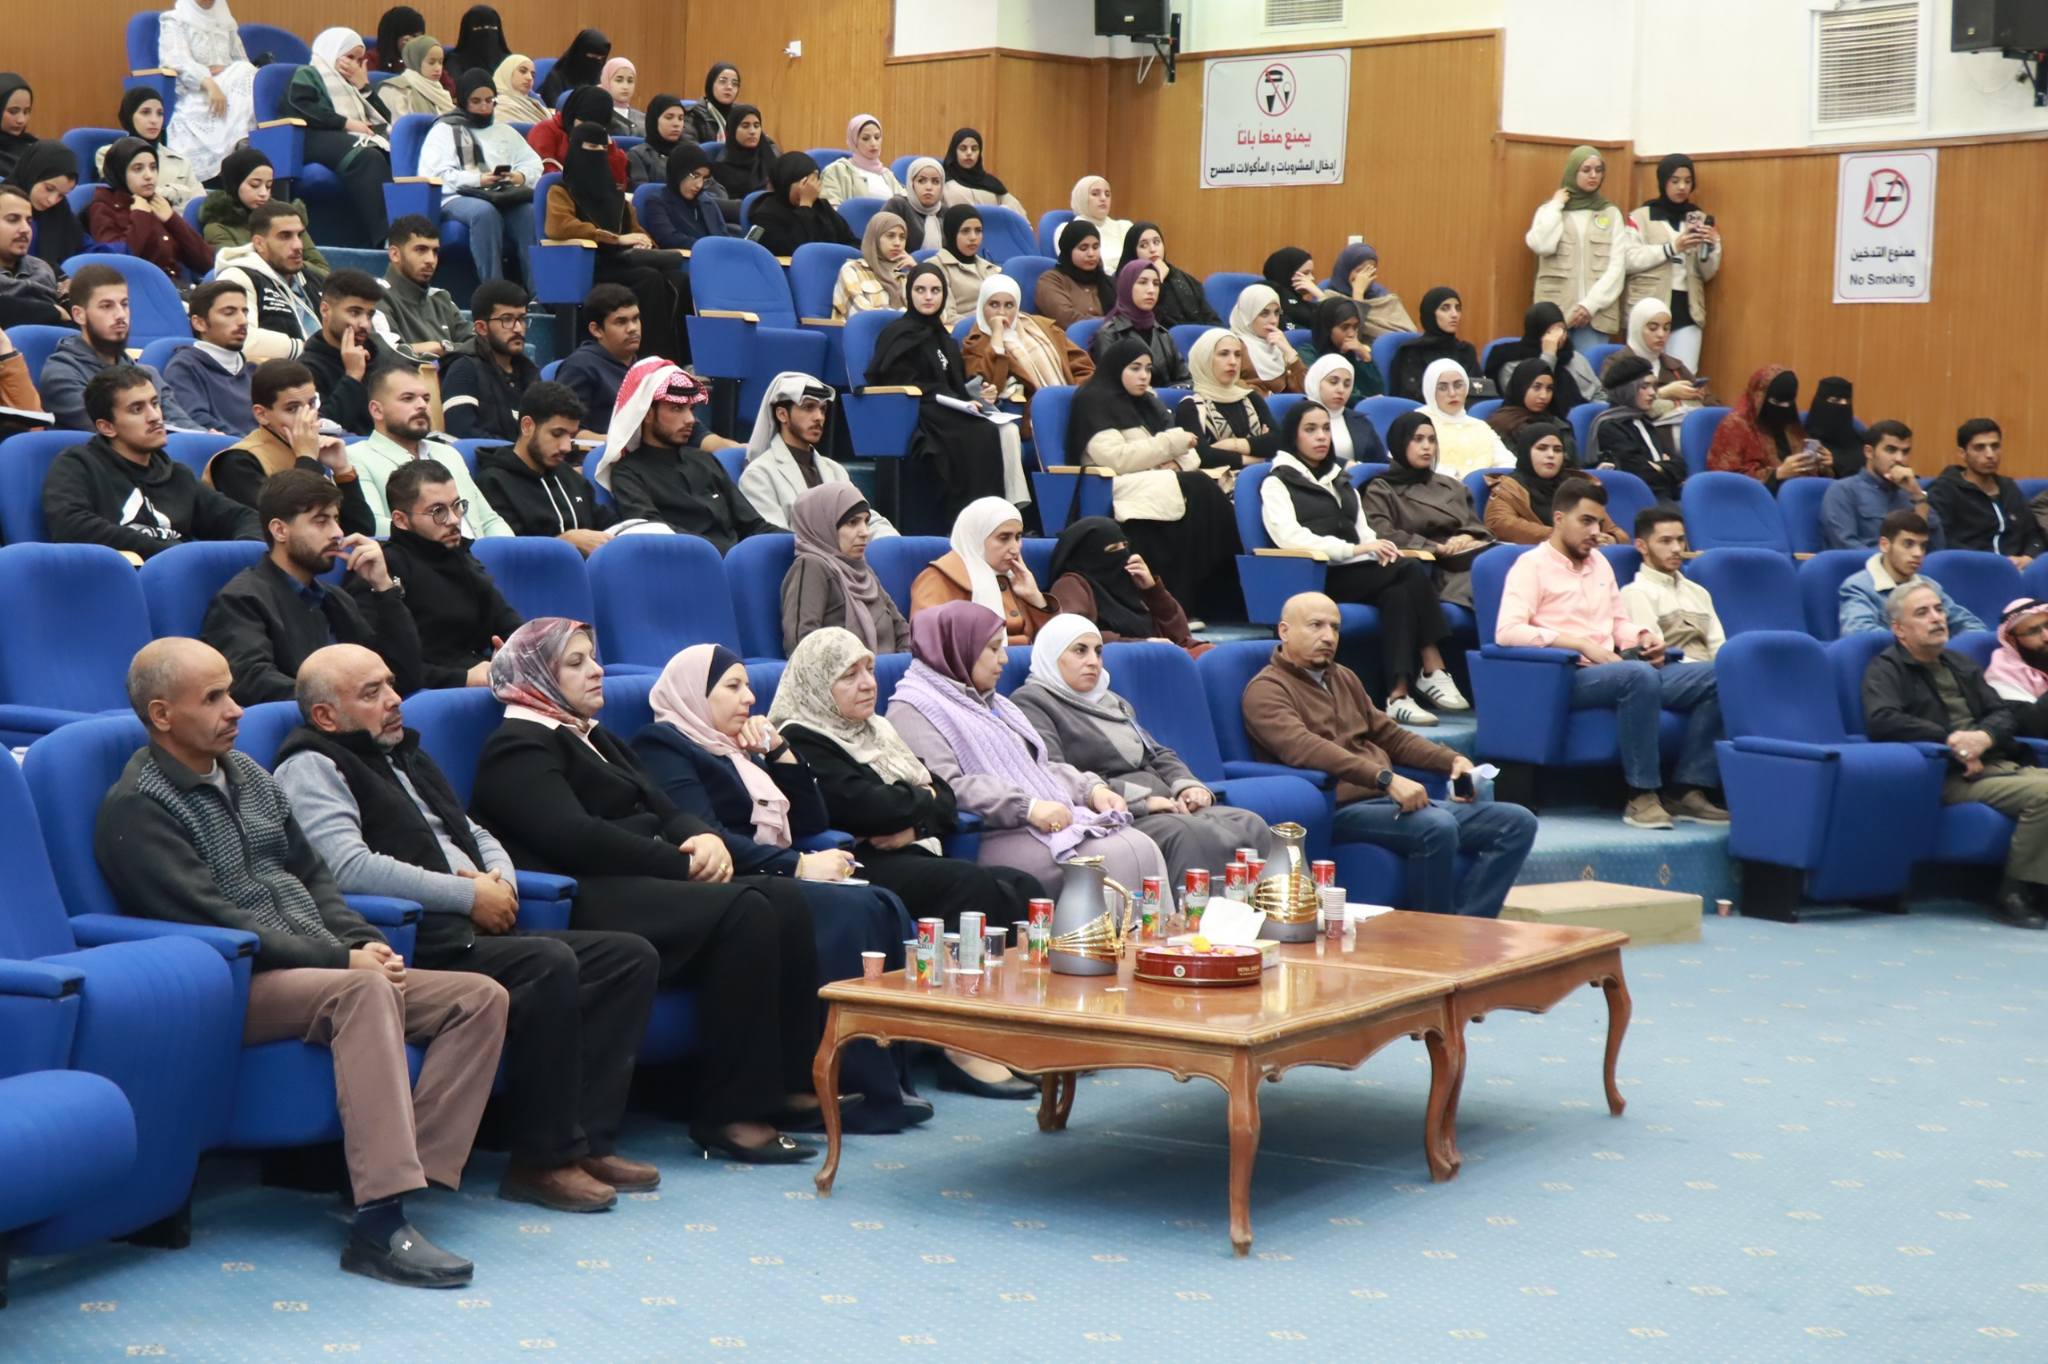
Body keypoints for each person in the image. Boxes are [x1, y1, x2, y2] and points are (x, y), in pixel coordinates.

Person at [97, 637, 506, 1286]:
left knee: (478, 997)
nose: (236, 710)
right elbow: (217, 920)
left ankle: (402, 1177)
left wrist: (362, 941)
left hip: (314, 965)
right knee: (364, 992)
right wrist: (343, 959)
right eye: (213, 698)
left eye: (232, 692)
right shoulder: (139, 806)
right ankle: (379, 1226)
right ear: (162, 715)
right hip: (233, 984)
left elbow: (315, 879)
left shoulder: (248, 774)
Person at [277, 643, 660, 1211]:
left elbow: (471, 830)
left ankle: (589, 1142)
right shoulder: (312, 764)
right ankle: (541, 1161)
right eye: (372, 693)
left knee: (628, 958)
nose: (394, 700)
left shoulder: (402, 753)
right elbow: (346, 867)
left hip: (474, 923)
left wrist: (500, 882)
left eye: (391, 684)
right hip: (416, 940)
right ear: (325, 716)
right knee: (547, 964)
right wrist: (467, 895)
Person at [470, 618, 827, 1160]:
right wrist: (679, 862)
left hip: (641, 877)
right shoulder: (518, 745)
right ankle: (730, 1114)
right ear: (538, 675)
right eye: (576, 663)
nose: (596, 671)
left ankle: (786, 1084)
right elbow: (576, 838)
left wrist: (702, 837)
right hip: (585, 892)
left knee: (784, 899)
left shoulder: (593, 735)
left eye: (594, 658)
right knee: (746, 909)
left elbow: (664, 807)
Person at [629, 645, 930, 1130]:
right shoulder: (664, 746)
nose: (749, 698)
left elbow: (811, 820)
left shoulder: (735, 748)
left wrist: (779, 751)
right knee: (849, 912)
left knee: (881, 902)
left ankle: (886, 1080)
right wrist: (800, 865)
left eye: (749, 686)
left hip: (769, 873)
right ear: (695, 694)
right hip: (730, 880)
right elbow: (709, 836)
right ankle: (843, 1083)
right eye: (733, 687)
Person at [770, 625, 1046, 1099]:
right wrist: (920, 802)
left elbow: (946, 796)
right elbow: (868, 809)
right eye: (849, 676)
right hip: (856, 864)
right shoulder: (802, 738)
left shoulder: (876, 730)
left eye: (869, 669)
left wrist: (914, 820)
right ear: (817, 685)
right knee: (970, 888)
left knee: (1023, 886)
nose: (867, 683)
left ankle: (1010, 1027)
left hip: (908, 851)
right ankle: (958, 1044)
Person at [1242, 593, 1537, 916]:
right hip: (1337, 806)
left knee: (1517, 823)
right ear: (1284, 631)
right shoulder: (1266, 690)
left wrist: (1451, 760)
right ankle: (1435, 930)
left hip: (1384, 800)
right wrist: (1386, 779)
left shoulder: (1343, 677)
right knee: (1436, 826)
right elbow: (1304, 748)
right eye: (1316, 626)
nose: (1328, 637)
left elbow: (1391, 736)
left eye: (1335, 628)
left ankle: (1469, 924)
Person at [889, 601, 1169, 897]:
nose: (1004, 659)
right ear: (958, 648)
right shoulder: (912, 709)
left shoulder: (994, 703)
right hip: (990, 834)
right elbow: (946, 787)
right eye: (993, 649)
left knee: (1141, 845)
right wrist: (1028, 807)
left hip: (1039, 821)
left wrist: (1091, 789)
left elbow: (1037, 767)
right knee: (1110, 857)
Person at [1496, 477, 1727, 828]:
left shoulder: (1599, 564)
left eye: (1599, 523)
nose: (1596, 532)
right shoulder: (1531, 565)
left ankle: (1687, 789)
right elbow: (1508, 631)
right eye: (1586, 521)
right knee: (1637, 675)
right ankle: (1641, 795)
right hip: (1566, 676)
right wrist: (1578, 643)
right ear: (1559, 519)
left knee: (1722, 674)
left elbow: (1619, 622)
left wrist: (1643, 637)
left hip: (1616, 669)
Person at [1014, 616, 1269, 884]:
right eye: (1080, 651)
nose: (1093, 661)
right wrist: (1142, 802)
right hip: (1112, 811)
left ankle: (1256, 907)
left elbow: (1156, 753)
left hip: (1165, 801)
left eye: (1098, 652)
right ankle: (1198, 911)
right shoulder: (1033, 702)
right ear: (1052, 654)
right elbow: (1051, 771)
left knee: (1250, 823)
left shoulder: (1111, 701)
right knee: (1191, 834)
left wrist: (1188, 786)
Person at [1261, 403, 1465, 723]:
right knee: (1409, 570)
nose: (1321, 436)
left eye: (1326, 429)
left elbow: (1365, 533)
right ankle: (1432, 664)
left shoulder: (1341, 481)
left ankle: (1398, 694)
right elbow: (1289, 537)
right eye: (1310, 429)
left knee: (1398, 593)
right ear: (1293, 436)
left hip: (1353, 572)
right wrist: (1352, 550)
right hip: (1313, 577)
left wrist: (1376, 550)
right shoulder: (1277, 482)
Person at [1865, 583, 2047, 929]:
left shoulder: (1960, 663)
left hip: (1998, 764)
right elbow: (1883, 721)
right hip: (1948, 774)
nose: (1937, 618)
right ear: (1899, 629)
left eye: (1938, 609)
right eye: (1923, 613)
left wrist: (1983, 737)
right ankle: (2015, 893)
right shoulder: (1886, 669)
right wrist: (1953, 742)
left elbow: (2002, 714)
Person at [202, 468, 423, 704]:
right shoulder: (241, 600)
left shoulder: (336, 599)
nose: (338, 533)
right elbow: (252, 683)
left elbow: (403, 676)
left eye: (336, 519)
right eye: (321, 521)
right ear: (280, 530)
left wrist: (384, 588)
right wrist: (344, 701)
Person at [1071, 338, 1239, 617]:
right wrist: (1169, 447)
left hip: (1155, 480)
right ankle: (1190, 604)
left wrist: (1173, 456)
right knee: (1196, 486)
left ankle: (1212, 599)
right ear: (1116, 368)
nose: (1144, 376)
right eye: (1135, 368)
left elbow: (1191, 455)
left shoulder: (1148, 402)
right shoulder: (1094, 401)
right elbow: (1116, 458)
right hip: (1113, 484)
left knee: (1198, 487)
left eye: (1148, 369)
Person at [44, 366, 260, 557]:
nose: (155, 416)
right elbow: (71, 527)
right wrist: (169, 552)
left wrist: (240, 555)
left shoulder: (177, 476)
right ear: (107, 427)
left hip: (178, 574)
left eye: (155, 403)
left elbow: (243, 518)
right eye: (137, 409)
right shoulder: (78, 466)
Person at [867, 262, 1026, 521]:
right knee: (980, 432)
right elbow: (894, 380)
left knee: (995, 428)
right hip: (916, 410)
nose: (928, 297)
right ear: (909, 293)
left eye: (935, 290)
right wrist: (950, 397)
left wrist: (978, 392)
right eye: (920, 290)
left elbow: (956, 383)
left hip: (948, 407)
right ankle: (970, 517)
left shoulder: (944, 338)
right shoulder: (897, 334)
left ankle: (994, 517)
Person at [546, 123, 690, 364]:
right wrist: (614, 238)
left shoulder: (615, 194)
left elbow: (634, 228)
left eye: (603, 148)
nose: (598, 153)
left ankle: (681, 361)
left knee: (679, 279)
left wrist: (644, 241)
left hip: (624, 261)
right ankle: (650, 361)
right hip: (589, 266)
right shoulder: (561, 190)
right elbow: (559, 226)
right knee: (649, 279)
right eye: (591, 147)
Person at [374, 458, 523, 688]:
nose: (454, 520)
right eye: (438, 511)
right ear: (401, 520)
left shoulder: (460, 556)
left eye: (457, 506)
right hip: (426, 693)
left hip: (482, 679)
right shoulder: (381, 570)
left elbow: (509, 625)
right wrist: (463, 678)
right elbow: (384, 666)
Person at [596, 359, 766, 551]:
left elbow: (754, 525)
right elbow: (653, 532)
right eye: (676, 408)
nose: (690, 419)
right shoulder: (628, 473)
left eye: (691, 409)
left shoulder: (706, 460)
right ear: (648, 414)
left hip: (737, 559)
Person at [203, 358, 374, 535]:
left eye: (311, 404)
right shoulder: (237, 462)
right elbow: (291, 527)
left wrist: (342, 471)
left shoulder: (315, 452)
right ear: (262, 415)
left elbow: (362, 532)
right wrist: (306, 457)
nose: (307, 417)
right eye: (292, 409)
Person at [350, 366, 509, 537]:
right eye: (408, 398)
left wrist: (504, 551)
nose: (422, 406)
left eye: (426, 399)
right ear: (377, 410)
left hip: (478, 552)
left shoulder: (449, 453)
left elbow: (489, 520)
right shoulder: (356, 457)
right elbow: (374, 525)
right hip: (417, 552)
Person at [418, 68, 543, 287]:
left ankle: (537, 294)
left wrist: (519, 176)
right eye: (476, 101)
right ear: (462, 101)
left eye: (489, 100)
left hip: (500, 195)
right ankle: (494, 290)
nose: (484, 107)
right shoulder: (444, 130)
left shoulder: (504, 131)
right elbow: (438, 175)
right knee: (485, 213)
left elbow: (533, 163)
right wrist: (478, 180)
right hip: (456, 197)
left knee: (529, 213)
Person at [1360, 407, 1494, 609]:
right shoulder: (1381, 488)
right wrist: (1435, 547)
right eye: (1418, 439)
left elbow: (1476, 526)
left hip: (1467, 557)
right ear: (1399, 443)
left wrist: (1465, 537)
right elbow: (1382, 534)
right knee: (1492, 582)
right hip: (1432, 568)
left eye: (1432, 440)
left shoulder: (1452, 485)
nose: (1427, 447)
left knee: (1509, 566)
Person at [41, 267, 202, 432]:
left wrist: (207, 438)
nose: (120, 315)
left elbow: (186, 428)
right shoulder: (62, 374)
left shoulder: (148, 374)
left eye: (124, 304)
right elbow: (112, 431)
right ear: (79, 315)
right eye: (106, 306)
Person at [738, 370, 896, 535]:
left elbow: (865, 518)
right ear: (782, 415)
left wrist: (892, 541)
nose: (819, 417)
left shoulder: (835, 470)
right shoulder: (758, 475)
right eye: (808, 407)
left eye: (822, 409)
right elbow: (775, 539)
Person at [473, 380, 613, 553]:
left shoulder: (569, 476)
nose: (566, 447)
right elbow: (508, 553)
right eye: (557, 434)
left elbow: (608, 524)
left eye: (571, 436)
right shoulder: (493, 483)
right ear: (527, 426)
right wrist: (564, 542)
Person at [282, 29, 395, 244]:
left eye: (359, 60)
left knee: (387, 154)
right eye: (349, 57)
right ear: (331, 52)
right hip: (311, 136)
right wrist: (346, 123)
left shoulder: (352, 82)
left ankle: (399, 231)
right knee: (368, 157)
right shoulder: (309, 73)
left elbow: (385, 119)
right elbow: (301, 107)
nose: (354, 65)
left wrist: (363, 86)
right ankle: (387, 238)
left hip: (346, 138)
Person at [1042, 515, 1208, 655]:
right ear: (1089, 553)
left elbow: (1181, 636)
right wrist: (1141, 645)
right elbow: (1074, 636)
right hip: (1119, 664)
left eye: (1125, 546)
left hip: (1160, 656)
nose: (1123, 554)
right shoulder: (1071, 585)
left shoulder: (1129, 581)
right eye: (1113, 549)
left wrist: (1153, 590)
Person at [1524, 145, 1637, 350]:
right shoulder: (1550, 209)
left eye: (1598, 170)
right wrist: (1556, 205)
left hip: (1595, 316)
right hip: (1556, 312)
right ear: (1572, 171)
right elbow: (1541, 245)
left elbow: (1617, 267)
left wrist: (1589, 305)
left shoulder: (1610, 213)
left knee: (1588, 368)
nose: (1593, 175)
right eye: (1586, 170)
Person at [1621, 152, 1721, 371]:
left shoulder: (1698, 218)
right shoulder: (1641, 216)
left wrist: (1713, 246)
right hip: (1649, 303)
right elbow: (1629, 260)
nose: (1682, 187)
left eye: (1688, 181)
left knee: (1684, 374)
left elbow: (1707, 273)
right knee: (1644, 373)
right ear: (1663, 181)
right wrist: (1672, 247)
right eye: (1675, 181)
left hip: (1687, 307)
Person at [781, 483, 908, 655]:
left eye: (866, 522)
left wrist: (901, 666)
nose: (864, 532)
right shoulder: (812, 567)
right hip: (847, 672)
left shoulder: (863, 570)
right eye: (852, 522)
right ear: (824, 525)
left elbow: (902, 631)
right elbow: (803, 648)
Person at [911, 496, 1052, 643]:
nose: (1015, 549)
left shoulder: (1017, 578)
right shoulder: (939, 578)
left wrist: (1035, 597)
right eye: (1004, 538)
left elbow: (1056, 645)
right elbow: (929, 642)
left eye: (1018, 537)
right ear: (976, 538)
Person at [959, 274, 1091, 420]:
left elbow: (1083, 367)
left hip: (1074, 401)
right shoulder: (975, 344)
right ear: (982, 305)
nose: (1002, 312)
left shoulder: (1042, 327)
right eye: (994, 305)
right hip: (1036, 414)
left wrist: (1078, 395)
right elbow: (991, 386)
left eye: (1009, 305)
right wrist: (997, 336)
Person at [157, 0, 260, 184]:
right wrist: (209, 82)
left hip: (230, 88)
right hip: (195, 92)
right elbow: (176, 61)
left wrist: (225, 70)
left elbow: (241, 60)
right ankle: (238, 147)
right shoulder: (175, 20)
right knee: (244, 71)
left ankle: (242, 143)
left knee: (248, 71)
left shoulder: (226, 21)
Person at [1839, 510, 1987, 637]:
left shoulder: (1929, 586)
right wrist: (1920, 644)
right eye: (1908, 544)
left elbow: (1971, 625)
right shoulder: (1859, 587)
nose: (1918, 553)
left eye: (1922, 546)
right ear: (1885, 545)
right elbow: (1859, 633)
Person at [84, 138, 214, 283]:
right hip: (133, 290)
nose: (149, 176)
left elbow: (207, 262)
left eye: (153, 167)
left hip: (174, 288)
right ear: (119, 172)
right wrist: (140, 216)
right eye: (138, 169)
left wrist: (172, 220)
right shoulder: (103, 208)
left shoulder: (157, 203)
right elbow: (117, 264)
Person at [213, 201, 325, 364]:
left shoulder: (312, 278)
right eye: (285, 236)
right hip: (284, 373)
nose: (298, 245)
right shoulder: (238, 277)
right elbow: (240, 338)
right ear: (259, 243)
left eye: (299, 235)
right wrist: (307, 349)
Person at [1485, 421, 1627, 547]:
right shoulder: (1508, 487)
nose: (1551, 455)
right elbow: (1499, 523)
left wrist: (1612, 539)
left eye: (1557, 450)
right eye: (1542, 448)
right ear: (1525, 452)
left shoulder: (1576, 485)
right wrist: (1563, 536)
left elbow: (1615, 532)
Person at [199, 148, 332, 282]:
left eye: (268, 186)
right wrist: (281, 261)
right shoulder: (218, 226)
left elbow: (323, 271)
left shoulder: (287, 219)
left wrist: (291, 263)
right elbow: (235, 271)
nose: (264, 193)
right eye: (255, 185)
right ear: (234, 184)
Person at [1928, 419, 2045, 568]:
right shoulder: (1945, 490)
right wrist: (1993, 563)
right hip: (1971, 569)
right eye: (1980, 448)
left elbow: (2033, 534)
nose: (1990, 455)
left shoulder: (2009, 487)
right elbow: (1940, 539)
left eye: (1995, 446)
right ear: (1962, 453)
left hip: (2016, 570)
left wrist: (2028, 557)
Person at [298, 269, 399, 436]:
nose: (365, 324)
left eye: (369, 315)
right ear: (325, 310)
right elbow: (320, 430)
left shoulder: (382, 358)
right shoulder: (306, 370)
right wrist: (353, 376)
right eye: (354, 312)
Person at [1619, 505, 1725, 663]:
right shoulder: (1636, 592)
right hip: (1671, 670)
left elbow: (1718, 648)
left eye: (1680, 540)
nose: (1676, 548)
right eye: (1666, 541)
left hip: (1708, 670)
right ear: (1642, 546)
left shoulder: (1698, 591)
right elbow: (1654, 655)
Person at [440, 280, 542, 441]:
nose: (518, 328)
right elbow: (463, 435)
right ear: (481, 328)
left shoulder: (530, 372)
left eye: (522, 318)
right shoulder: (463, 370)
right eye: (507, 319)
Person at [1821, 420, 1937, 550]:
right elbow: (1845, 546)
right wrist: (1893, 559)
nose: (1899, 459)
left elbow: (1937, 545)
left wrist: (1918, 496)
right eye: (1891, 450)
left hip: (1912, 562)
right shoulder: (1843, 491)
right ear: (1869, 452)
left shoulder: (1912, 492)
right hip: (1866, 561)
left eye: (1905, 452)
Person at [1175, 329, 1282, 471]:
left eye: (1237, 355)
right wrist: (1257, 455)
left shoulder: (1250, 397)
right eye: (1223, 354)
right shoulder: (1190, 406)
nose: (1233, 362)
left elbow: (1278, 442)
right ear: (1205, 359)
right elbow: (1203, 457)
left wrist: (1231, 445)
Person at [1590, 352, 1687, 501]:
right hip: (1639, 500)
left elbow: (1681, 465)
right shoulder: (1611, 427)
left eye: (1653, 386)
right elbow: (1641, 475)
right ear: (1627, 390)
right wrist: (1666, 467)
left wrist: (1659, 467)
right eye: (1644, 387)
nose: (1653, 393)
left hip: (1665, 495)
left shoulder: (1645, 421)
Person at [1707, 365, 1826, 487]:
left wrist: (1822, 464)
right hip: (1754, 495)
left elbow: (1806, 468)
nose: (1783, 408)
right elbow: (1725, 478)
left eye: (1788, 402)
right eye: (1776, 402)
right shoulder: (1735, 426)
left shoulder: (1790, 424)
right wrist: (1777, 474)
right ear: (1759, 397)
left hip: (1795, 490)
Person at [1482, 301, 1602, 414]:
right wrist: (1549, 355)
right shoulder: (1512, 363)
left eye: (1561, 329)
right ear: (1536, 332)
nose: (1558, 337)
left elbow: (1598, 393)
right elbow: (1525, 401)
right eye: (1550, 332)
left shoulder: (1574, 357)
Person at [161, 281, 250, 433]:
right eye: (229, 313)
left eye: (245, 312)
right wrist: (251, 443)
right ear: (199, 323)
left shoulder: (255, 371)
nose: (243, 321)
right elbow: (196, 420)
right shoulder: (184, 368)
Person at [554, 284, 640, 439]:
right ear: (596, 330)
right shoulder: (580, 366)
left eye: (635, 319)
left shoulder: (645, 368)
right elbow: (566, 430)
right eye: (621, 322)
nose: (632, 328)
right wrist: (618, 445)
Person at [95, 89, 205, 208]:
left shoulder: (182, 162)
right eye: (145, 112)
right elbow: (125, 196)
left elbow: (200, 204)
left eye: (160, 113)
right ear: (129, 115)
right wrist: (179, 192)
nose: (154, 120)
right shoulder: (110, 153)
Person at [375, 215, 464, 357]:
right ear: (395, 254)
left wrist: (442, 347)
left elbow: (479, 346)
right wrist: (451, 350)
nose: (431, 260)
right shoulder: (375, 296)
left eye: (435, 251)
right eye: (421, 250)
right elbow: (389, 355)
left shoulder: (441, 298)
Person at [1093, 261, 1187, 387]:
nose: (1151, 290)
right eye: (1142, 282)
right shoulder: (1109, 334)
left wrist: (1170, 394)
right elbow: (1109, 385)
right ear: (1127, 287)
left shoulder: (1163, 334)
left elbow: (1186, 379)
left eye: (1156, 284)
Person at [748, 151, 857, 258]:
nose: (810, 189)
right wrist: (805, 206)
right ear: (785, 182)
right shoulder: (766, 214)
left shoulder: (821, 206)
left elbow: (850, 241)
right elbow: (795, 250)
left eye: (814, 181)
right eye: (805, 183)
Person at [1389, 286, 1483, 404]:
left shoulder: (1466, 351)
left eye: (1458, 308)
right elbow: (1410, 398)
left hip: (1464, 412)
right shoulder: (1411, 351)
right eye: (1445, 308)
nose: (1454, 314)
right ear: (1430, 313)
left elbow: (1478, 392)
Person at [1419, 357, 1512, 478]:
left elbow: (1508, 463)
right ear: (1430, 391)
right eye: (1442, 388)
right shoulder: (1419, 422)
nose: (1452, 393)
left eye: (1458, 385)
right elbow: (1415, 462)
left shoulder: (1479, 426)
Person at [1621, 297, 1703, 431]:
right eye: (1653, 328)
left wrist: (1698, 394)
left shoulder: (1674, 365)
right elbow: (1615, 404)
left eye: (1666, 328)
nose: (1661, 334)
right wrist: (1663, 393)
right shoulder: (1618, 363)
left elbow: (1711, 403)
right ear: (1637, 328)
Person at [1117, 222, 1218, 328]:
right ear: (1132, 251)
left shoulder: (1183, 278)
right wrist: (1158, 279)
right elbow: (1150, 322)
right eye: (1143, 245)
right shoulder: (1126, 284)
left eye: (1156, 242)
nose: (1153, 249)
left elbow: (1211, 318)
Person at [640, 142, 733, 250]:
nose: (699, 185)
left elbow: (723, 236)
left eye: (704, 179)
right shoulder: (657, 201)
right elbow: (668, 239)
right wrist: (709, 248)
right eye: (695, 175)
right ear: (679, 171)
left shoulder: (707, 202)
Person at [0, 183, 67, 330]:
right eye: (13, 219)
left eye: (29, 221)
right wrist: (54, 312)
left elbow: (79, 316)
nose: (25, 229)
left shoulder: (44, 268)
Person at [527, 87, 627, 182]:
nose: (591, 129)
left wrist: (610, 148)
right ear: (573, 115)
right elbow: (544, 173)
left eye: (598, 125)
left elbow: (619, 182)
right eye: (586, 122)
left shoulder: (602, 138)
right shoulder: (545, 130)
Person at [1294, 296, 1385, 400]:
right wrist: (1364, 401)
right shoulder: (1308, 353)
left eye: (1355, 327)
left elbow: (1378, 392)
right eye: (1345, 327)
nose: (1351, 334)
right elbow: (1328, 393)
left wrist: (1365, 357)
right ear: (1328, 328)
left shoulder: (1351, 352)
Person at [12, 140, 84, 270]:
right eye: (49, 188)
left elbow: (87, 246)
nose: (52, 201)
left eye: (61, 195)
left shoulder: (62, 212)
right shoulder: (4, 206)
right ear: (32, 173)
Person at [1302, 354, 1387, 463]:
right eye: (1333, 382)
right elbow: (1297, 458)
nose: (1341, 390)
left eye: (1347, 384)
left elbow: (1381, 462)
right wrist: (1343, 465)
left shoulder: (1360, 421)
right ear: (1316, 382)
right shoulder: (1299, 417)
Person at [1330, 240, 1419, 340]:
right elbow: (1352, 334)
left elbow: (1410, 333)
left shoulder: (1382, 296)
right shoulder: (1330, 297)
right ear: (1345, 270)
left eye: (1370, 271)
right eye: (1359, 270)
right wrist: (1358, 294)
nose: (1364, 277)